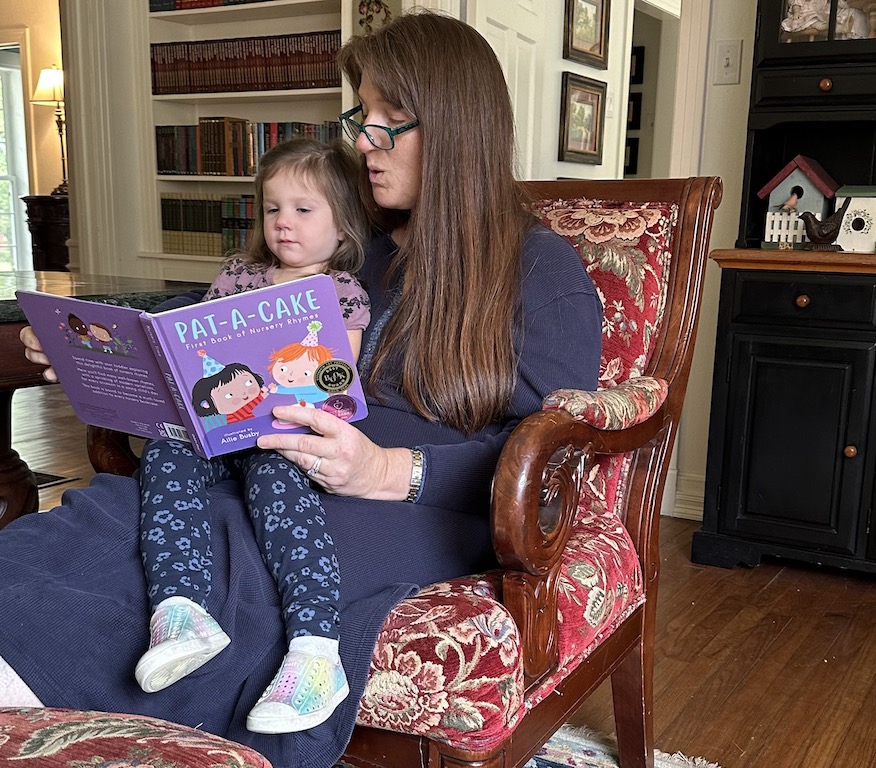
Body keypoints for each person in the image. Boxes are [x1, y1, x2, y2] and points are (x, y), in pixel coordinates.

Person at [5, 9, 602, 768]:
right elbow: (235, 350)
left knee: (239, 565)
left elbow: (555, 464)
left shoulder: (543, 276)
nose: (363, 141)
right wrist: (107, 364)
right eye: (363, 117)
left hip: (417, 507)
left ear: (457, 129)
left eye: (391, 122)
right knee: (105, 518)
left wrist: (387, 470)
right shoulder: (361, 255)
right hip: (280, 465)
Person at [132, 136, 371, 736]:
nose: (283, 223)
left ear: (343, 226)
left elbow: (338, 387)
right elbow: (196, 354)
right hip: (215, 429)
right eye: (272, 209)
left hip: (283, 437)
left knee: (276, 484)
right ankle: (183, 613)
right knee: (164, 454)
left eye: (303, 209)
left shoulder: (341, 295)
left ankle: (318, 649)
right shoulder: (239, 274)